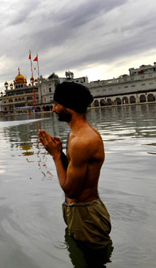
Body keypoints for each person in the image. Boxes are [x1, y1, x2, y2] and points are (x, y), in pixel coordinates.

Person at [38, 82, 112, 250]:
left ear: (68, 106)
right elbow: (74, 170)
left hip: (87, 216)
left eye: (57, 104)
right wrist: (60, 152)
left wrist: (56, 156)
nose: (54, 109)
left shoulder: (82, 140)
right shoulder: (76, 134)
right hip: (80, 212)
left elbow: (71, 190)